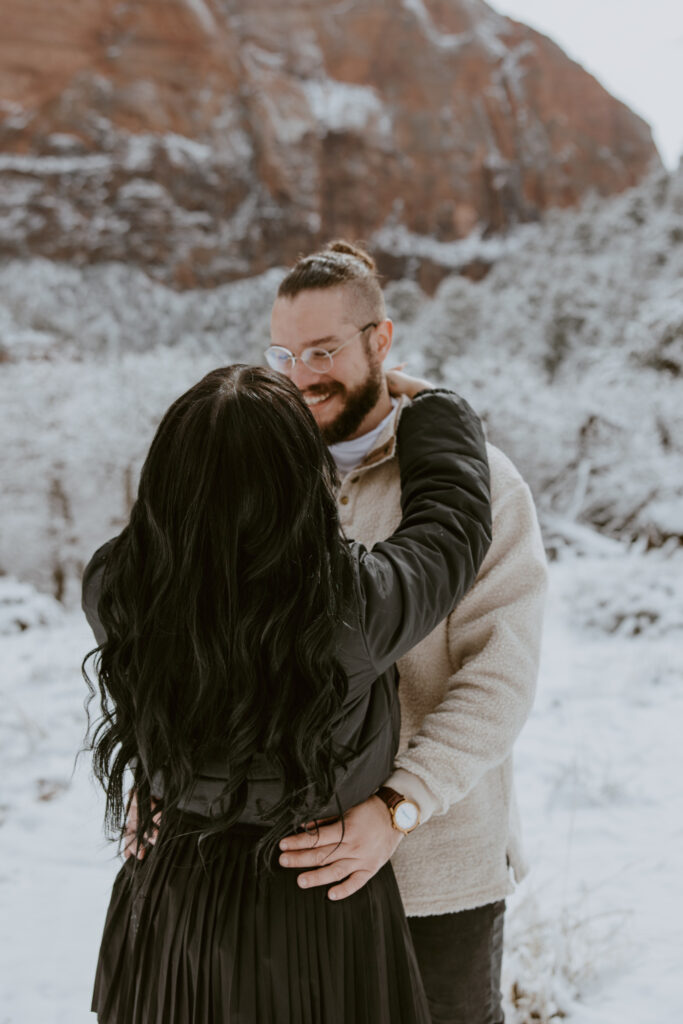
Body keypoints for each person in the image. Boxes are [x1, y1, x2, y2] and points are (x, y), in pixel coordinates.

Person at [82, 362, 492, 1023]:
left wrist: (153, 774)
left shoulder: (116, 588)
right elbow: (454, 524)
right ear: (302, 482)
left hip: (170, 891)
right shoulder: (356, 607)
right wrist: (434, 404)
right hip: (316, 908)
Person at [265, 241, 549, 1024]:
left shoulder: (482, 483)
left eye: (323, 351)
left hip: (436, 871)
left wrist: (396, 808)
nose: (300, 375)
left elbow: (500, 676)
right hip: (292, 867)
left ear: (379, 340)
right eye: (284, 353)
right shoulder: (263, 478)